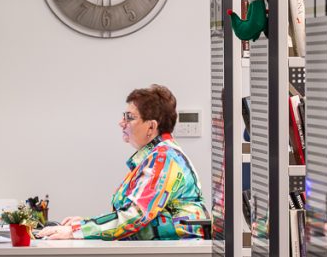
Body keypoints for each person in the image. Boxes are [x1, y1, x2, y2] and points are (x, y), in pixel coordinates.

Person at [36, 85, 209, 240]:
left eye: (129, 117)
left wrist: (77, 230)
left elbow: (135, 216)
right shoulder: (157, 156)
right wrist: (87, 224)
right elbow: (131, 215)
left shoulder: (164, 158)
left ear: (151, 127)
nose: (121, 123)